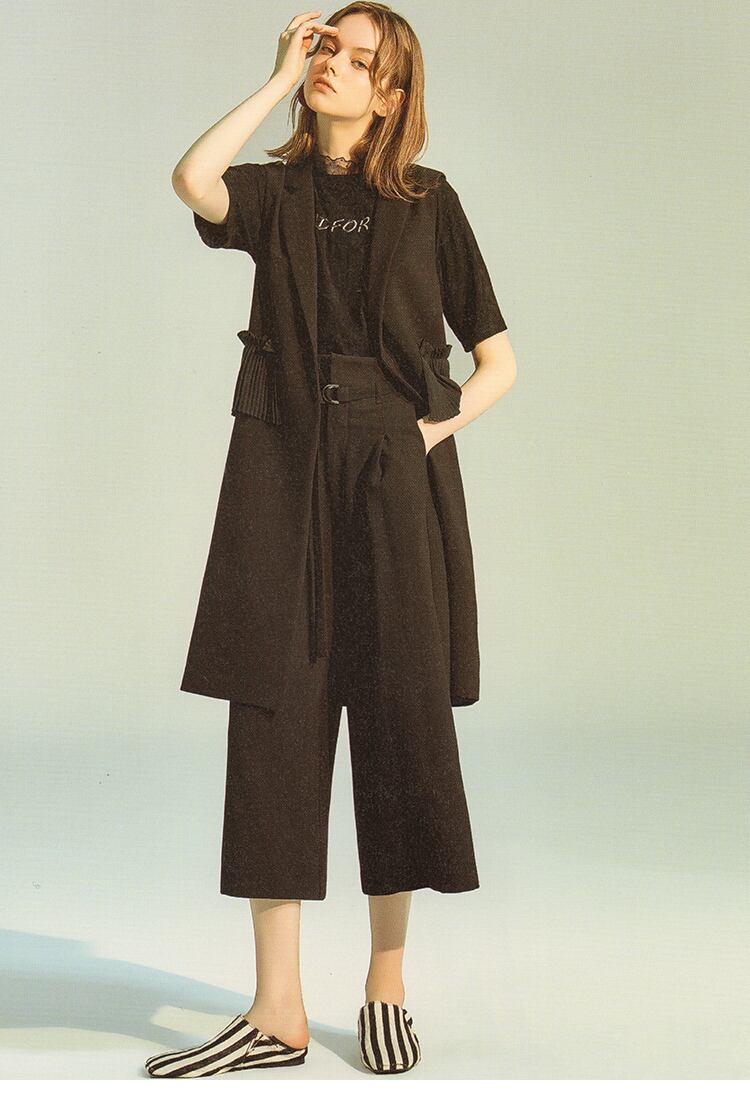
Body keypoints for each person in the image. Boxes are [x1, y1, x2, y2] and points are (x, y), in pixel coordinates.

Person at [146, 3, 517, 1079]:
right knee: (273, 720)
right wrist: (274, 79)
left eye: (361, 62)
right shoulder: (278, 194)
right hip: (281, 470)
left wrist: (424, 433)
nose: (335, 69)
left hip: (392, 480)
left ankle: (386, 983)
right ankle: (279, 1012)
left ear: (393, 95)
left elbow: (498, 360)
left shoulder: (430, 203)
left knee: (398, 711)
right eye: (327, 50)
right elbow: (192, 178)